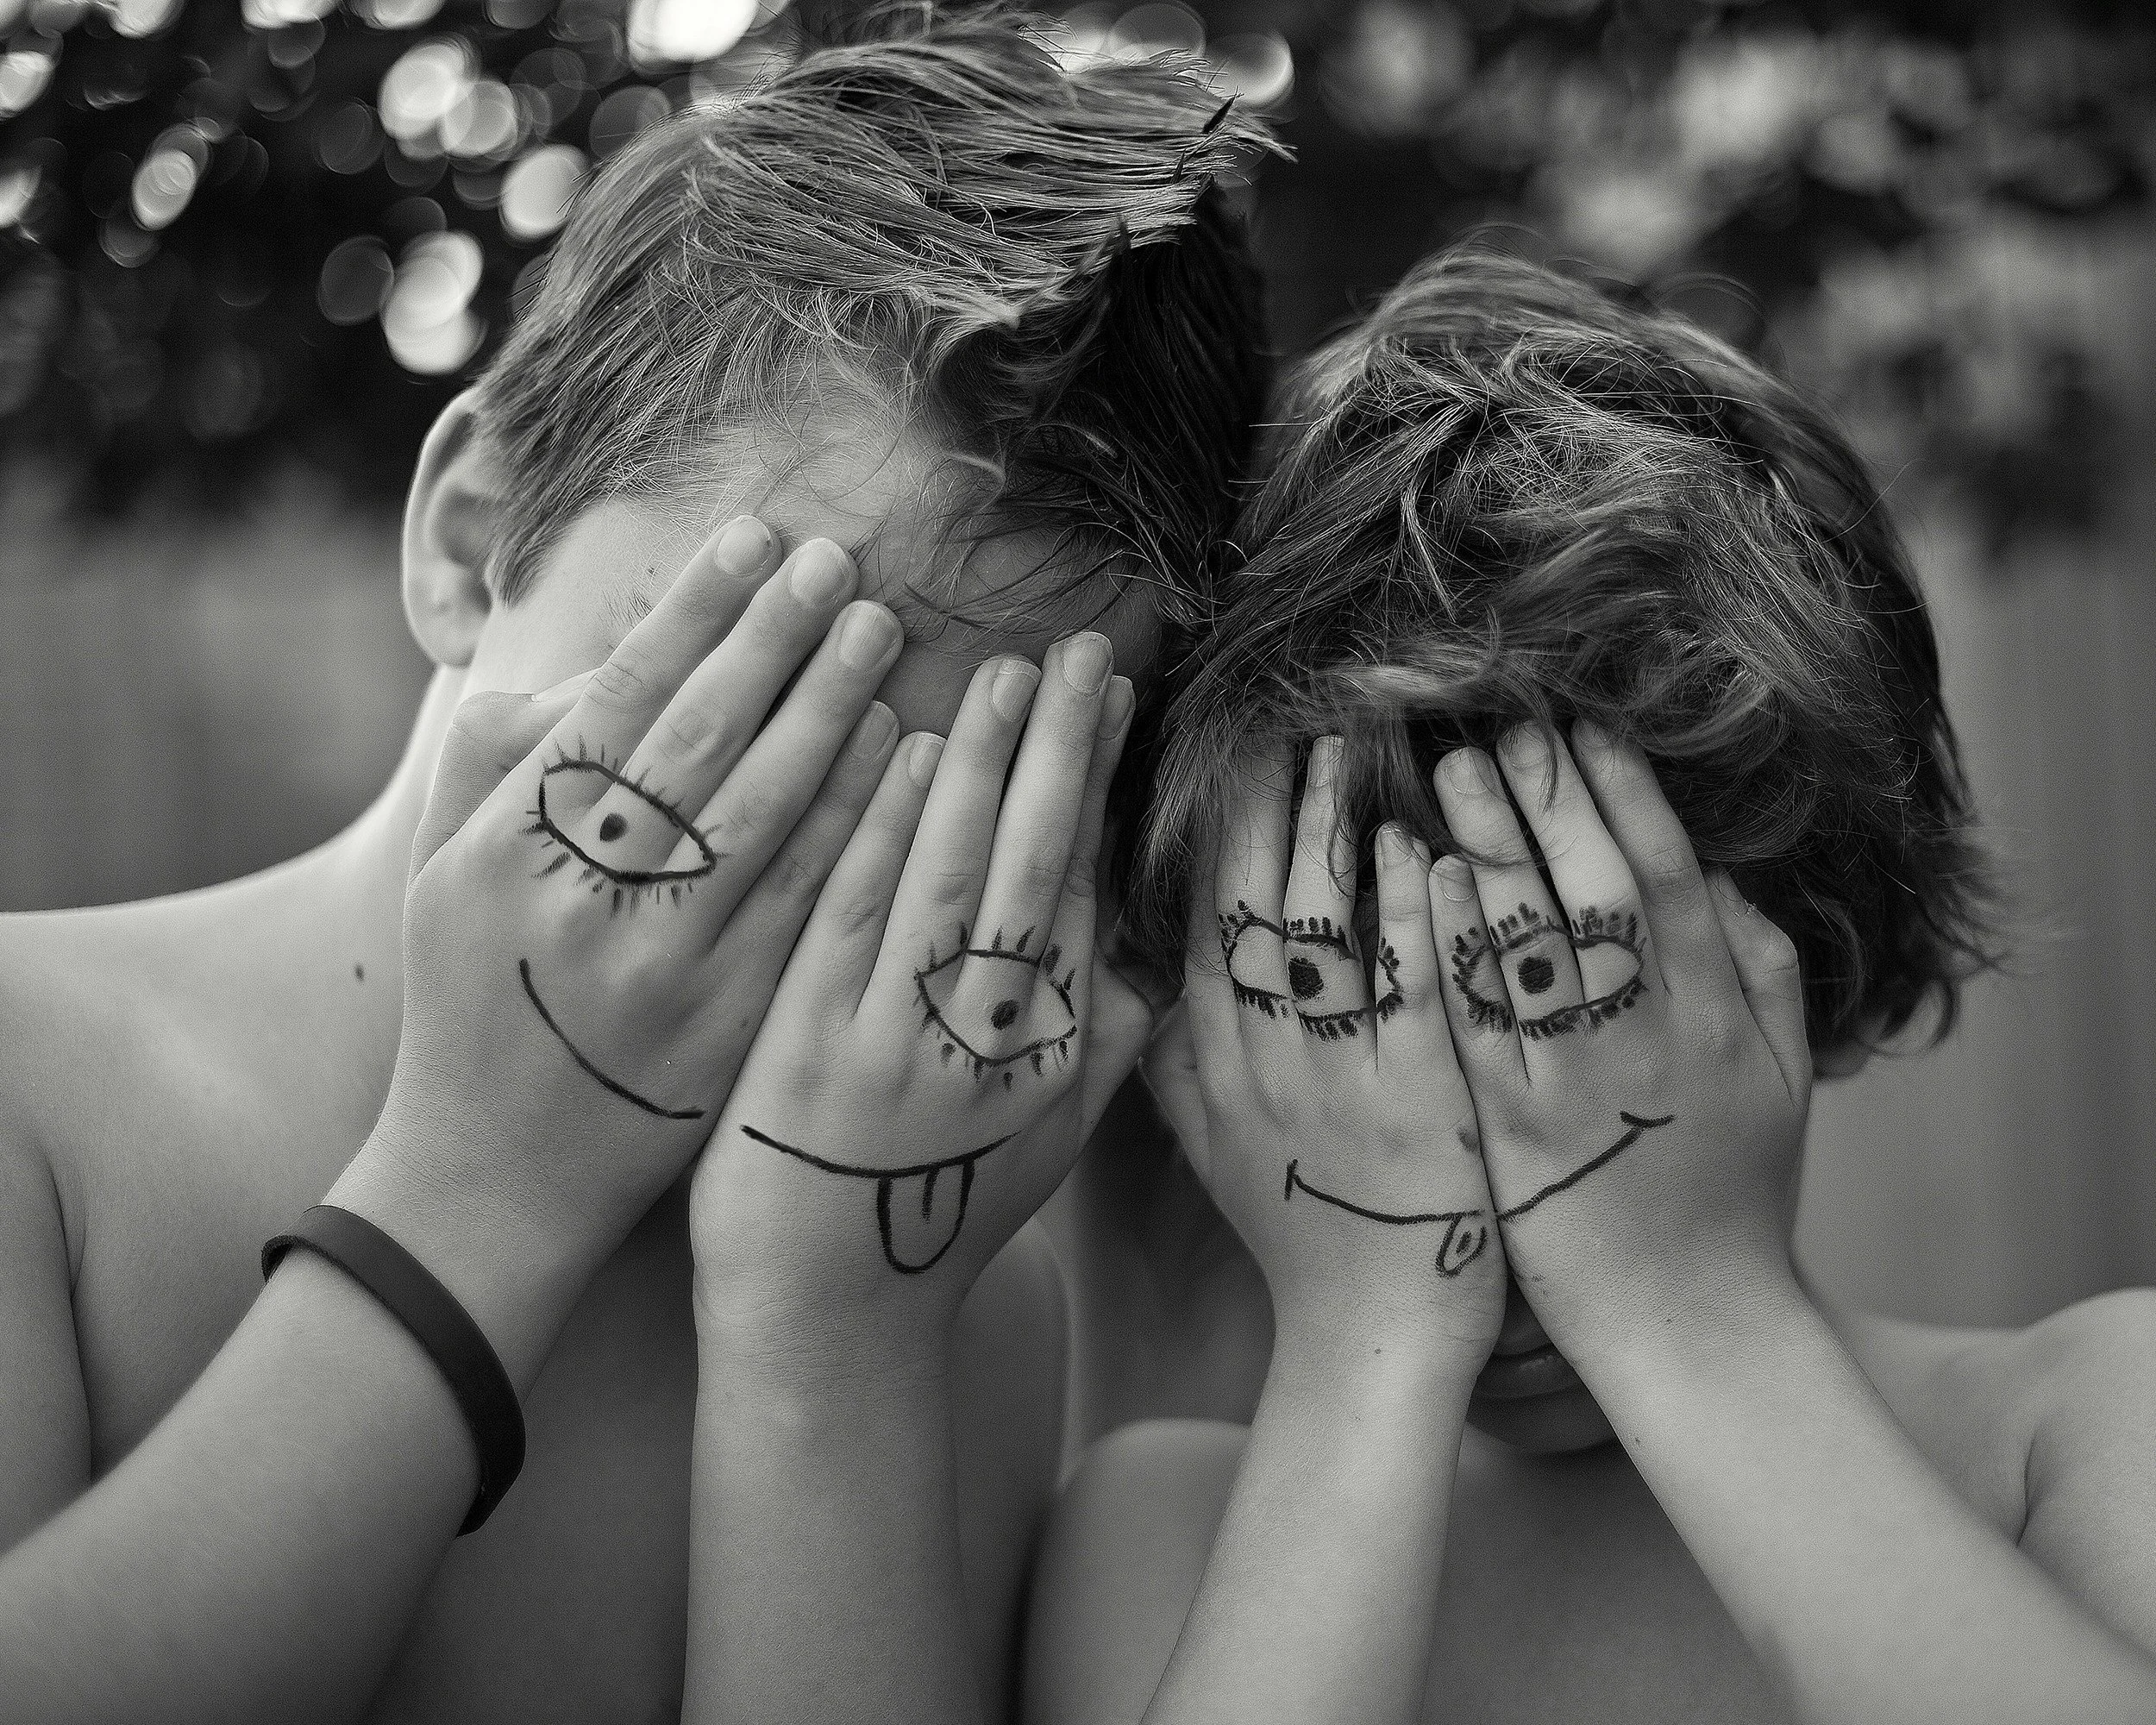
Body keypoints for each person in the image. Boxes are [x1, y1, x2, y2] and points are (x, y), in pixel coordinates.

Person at [0, 5, 1266, 1719]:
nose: (805, 904)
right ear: (468, 540)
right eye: (745, 727)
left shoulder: (947, 1292)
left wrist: (835, 1356)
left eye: (965, 839)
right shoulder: (31, 1085)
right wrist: (475, 1193)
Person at [1018, 249, 2156, 1722]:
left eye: (1570, 1000)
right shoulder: (1166, 1533)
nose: (1496, 1178)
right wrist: (1367, 1351)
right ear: (1208, 1052)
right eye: (1356, 1027)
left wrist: (1688, 1307)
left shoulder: (2079, 1424)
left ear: (1819, 959)